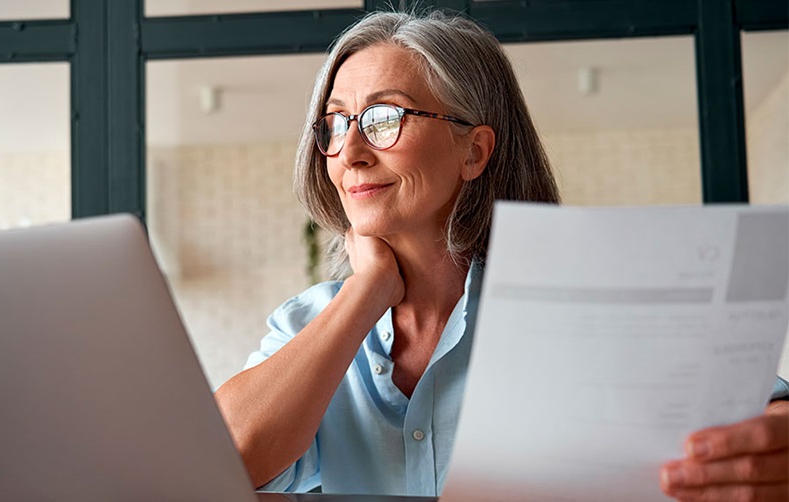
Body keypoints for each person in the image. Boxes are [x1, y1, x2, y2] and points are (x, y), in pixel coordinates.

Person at [214, 10, 789, 500]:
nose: (351, 152)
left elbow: (762, 417)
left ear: (474, 150)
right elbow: (221, 462)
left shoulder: (581, 304)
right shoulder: (305, 324)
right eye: (335, 124)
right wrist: (367, 291)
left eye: (384, 117)